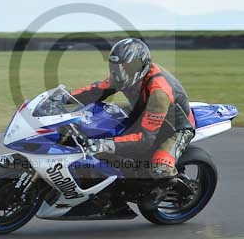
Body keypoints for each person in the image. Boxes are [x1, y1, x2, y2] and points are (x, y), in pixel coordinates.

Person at [70, 38, 196, 185]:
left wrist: (103, 144)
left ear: (142, 64)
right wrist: (64, 98)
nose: (121, 73)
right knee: (99, 114)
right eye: (117, 68)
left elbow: (145, 139)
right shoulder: (123, 77)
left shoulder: (159, 91)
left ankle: (170, 188)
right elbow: (95, 91)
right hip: (143, 112)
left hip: (174, 128)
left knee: (159, 169)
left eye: (127, 68)